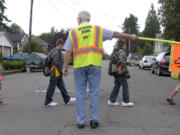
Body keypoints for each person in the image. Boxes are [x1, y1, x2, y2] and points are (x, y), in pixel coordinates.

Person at [63, 11, 137, 129]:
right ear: (89, 19)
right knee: (94, 93)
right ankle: (94, 120)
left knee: (80, 94)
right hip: (94, 65)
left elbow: (67, 51)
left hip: (79, 66)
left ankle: (81, 122)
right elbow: (116, 34)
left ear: (79, 19)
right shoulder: (97, 30)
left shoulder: (73, 32)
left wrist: (65, 67)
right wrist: (130, 36)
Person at [44, 39, 76, 107]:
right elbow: (56, 63)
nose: (63, 47)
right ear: (59, 45)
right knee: (51, 87)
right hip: (55, 73)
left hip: (57, 73)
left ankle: (67, 99)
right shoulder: (56, 52)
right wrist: (61, 70)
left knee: (62, 87)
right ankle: (48, 101)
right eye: (63, 45)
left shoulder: (54, 50)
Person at [108, 40, 134, 107]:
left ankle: (111, 100)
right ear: (122, 46)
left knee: (117, 86)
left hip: (115, 72)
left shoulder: (116, 52)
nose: (126, 46)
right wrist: (126, 73)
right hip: (120, 72)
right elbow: (123, 64)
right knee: (125, 85)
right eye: (125, 45)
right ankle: (125, 101)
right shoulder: (122, 52)